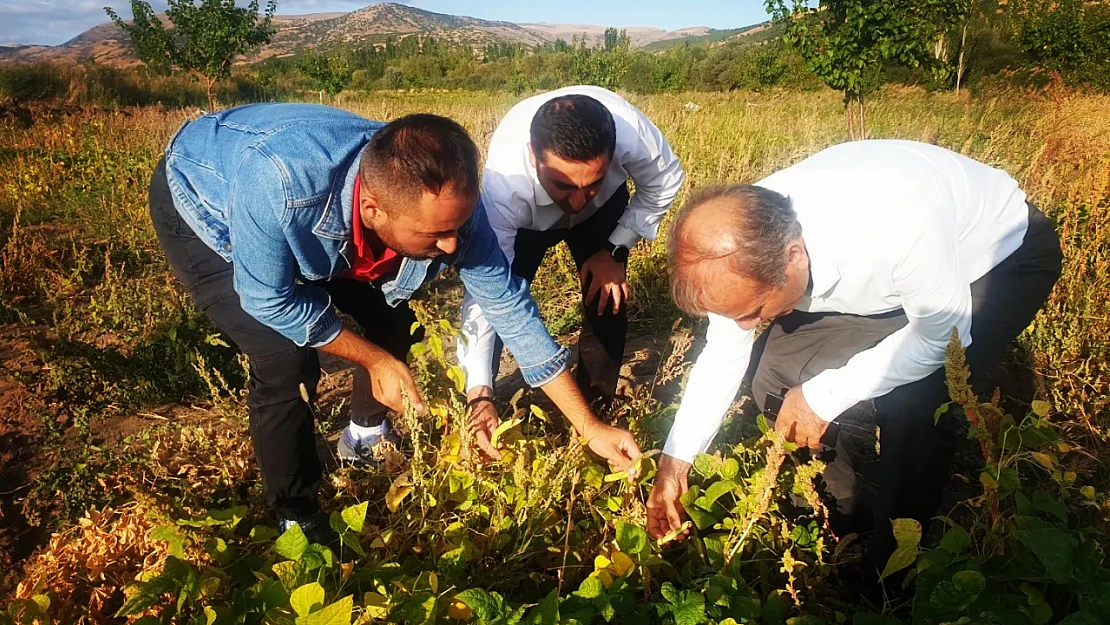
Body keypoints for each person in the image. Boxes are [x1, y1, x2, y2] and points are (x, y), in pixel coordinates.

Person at [148, 103, 641, 544]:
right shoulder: (279, 186)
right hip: (205, 203)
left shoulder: (439, 199)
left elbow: (510, 307)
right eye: (437, 234)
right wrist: (372, 359)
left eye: (458, 228)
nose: (452, 247)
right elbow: (267, 297)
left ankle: (361, 437)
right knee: (284, 359)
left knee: (394, 318)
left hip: (315, 209)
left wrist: (589, 426)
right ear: (373, 209)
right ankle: (296, 515)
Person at [646, 140, 1062, 571]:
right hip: (891, 284)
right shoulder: (738, 244)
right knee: (773, 376)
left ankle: (895, 564)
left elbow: (942, 337)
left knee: (914, 399)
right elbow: (723, 355)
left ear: (794, 257)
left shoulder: (896, 217)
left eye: (754, 311)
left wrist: (822, 397)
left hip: (995, 260)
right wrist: (675, 463)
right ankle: (838, 516)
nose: (747, 325)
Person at [456, 86, 685, 457]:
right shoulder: (505, 185)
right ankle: (483, 407)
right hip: (528, 224)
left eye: (591, 183)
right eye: (563, 185)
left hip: (604, 216)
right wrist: (477, 387)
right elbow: (487, 293)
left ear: (613, 156)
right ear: (533, 157)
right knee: (504, 308)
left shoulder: (629, 133)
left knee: (607, 300)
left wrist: (615, 248)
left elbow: (665, 180)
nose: (577, 201)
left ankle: (594, 415)